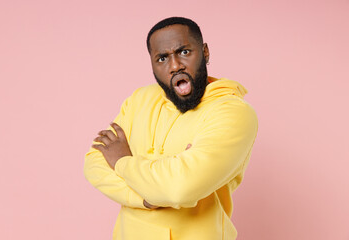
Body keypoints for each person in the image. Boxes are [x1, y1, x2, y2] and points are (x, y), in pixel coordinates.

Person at [84, 16, 258, 240]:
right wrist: (145, 198)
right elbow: (94, 163)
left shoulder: (233, 112)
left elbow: (180, 188)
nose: (175, 65)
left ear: (205, 52)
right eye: (162, 58)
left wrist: (121, 161)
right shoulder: (140, 100)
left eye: (184, 52)